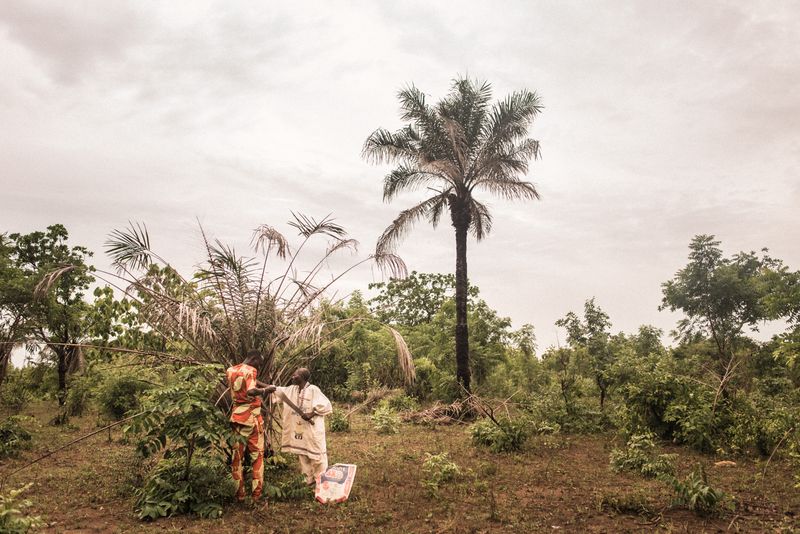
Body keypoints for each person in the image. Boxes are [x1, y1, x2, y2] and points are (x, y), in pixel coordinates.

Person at [226, 350, 275, 503]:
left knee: (237, 458)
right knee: (257, 456)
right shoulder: (251, 371)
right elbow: (251, 390)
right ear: (253, 359)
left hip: (236, 418)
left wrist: (266, 385)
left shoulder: (231, 370)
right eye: (258, 364)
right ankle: (256, 495)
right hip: (252, 419)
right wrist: (265, 390)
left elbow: (249, 380)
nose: (258, 368)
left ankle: (239, 494)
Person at [271, 367, 332, 485]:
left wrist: (312, 413)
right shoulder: (291, 390)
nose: (292, 377)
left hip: (312, 429)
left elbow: (326, 405)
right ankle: (307, 479)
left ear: (303, 377)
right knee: (303, 454)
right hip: (300, 429)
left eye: (295, 375)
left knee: (317, 455)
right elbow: (277, 390)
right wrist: (265, 388)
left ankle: (321, 480)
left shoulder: (313, 389)